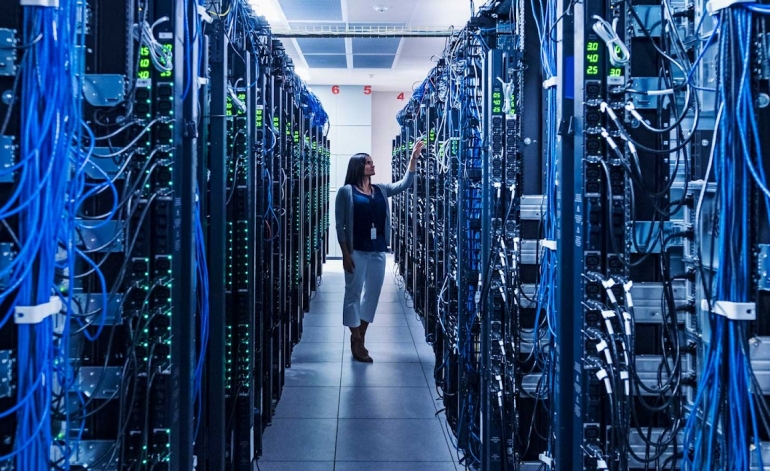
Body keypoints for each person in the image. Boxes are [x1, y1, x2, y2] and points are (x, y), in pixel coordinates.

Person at [335, 139, 424, 362]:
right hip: (356, 251)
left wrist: (413, 159)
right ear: (358, 167)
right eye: (368, 163)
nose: (373, 166)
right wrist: (345, 253)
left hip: (378, 251)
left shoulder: (381, 190)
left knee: (372, 296)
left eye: (372, 162)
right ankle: (356, 339)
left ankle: (360, 336)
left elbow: (404, 184)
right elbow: (340, 225)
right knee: (353, 294)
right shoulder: (346, 192)